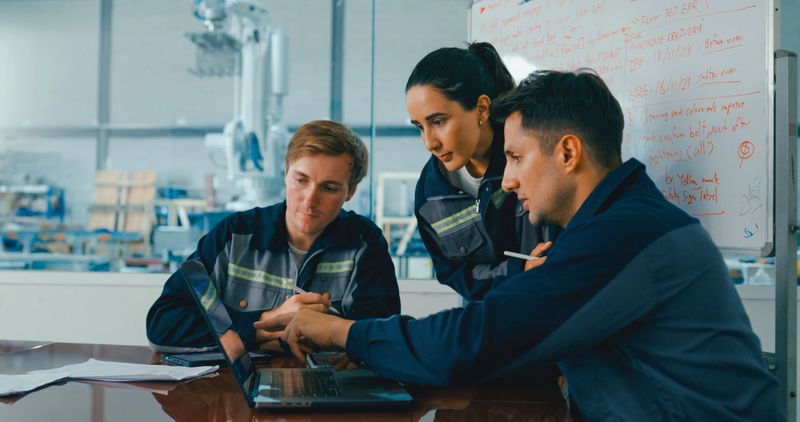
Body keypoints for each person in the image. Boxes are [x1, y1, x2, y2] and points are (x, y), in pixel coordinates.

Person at [257, 71, 781, 420]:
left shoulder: (624, 234)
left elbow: (474, 339)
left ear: (569, 152)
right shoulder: (614, 228)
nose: (506, 180)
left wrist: (340, 331)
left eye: (517, 157)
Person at [146, 120, 400, 353]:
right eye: (301, 180)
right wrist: (263, 324)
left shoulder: (365, 243)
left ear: (350, 191)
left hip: (328, 392)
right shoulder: (235, 234)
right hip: (235, 396)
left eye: (329, 188)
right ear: (286, 173)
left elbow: (382, 339)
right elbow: (164, 323)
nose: (309, 200)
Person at [405, 42, 555, 300]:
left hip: (549, 307)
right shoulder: (430, 195)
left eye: (438, 122)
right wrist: (517, 271)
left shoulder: (531, 158)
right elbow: (452, 272)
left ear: (482, 108)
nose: (429, 142)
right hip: (488, 321)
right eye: (420, 127)